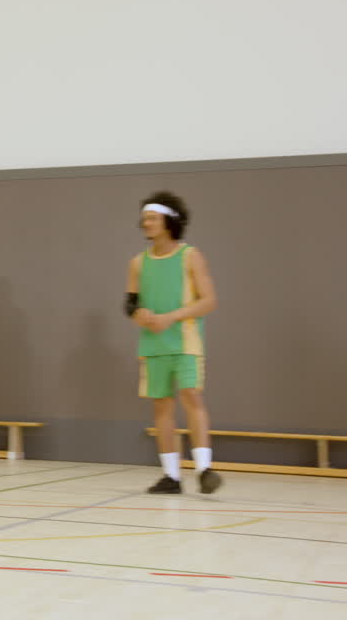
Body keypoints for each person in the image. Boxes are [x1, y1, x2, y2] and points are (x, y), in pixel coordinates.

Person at [126, 191, 221, 495]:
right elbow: (130, 303)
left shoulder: (190, 256)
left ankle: (205, 469)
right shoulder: (138, 263)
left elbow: (209, 301)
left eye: (152, 218)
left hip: (185, 342)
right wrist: (139, 314)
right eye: (144, 219)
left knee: (192, 397)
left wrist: (171, 317)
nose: (146, 223)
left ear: (170, 221)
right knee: (161, 407)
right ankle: (171, 476)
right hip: (153, 345)